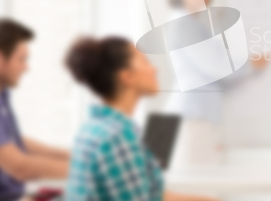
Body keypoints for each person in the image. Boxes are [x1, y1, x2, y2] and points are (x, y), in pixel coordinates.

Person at [63, 35, 222, 201]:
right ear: (127, 77)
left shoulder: (94, 128)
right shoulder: (118, 138)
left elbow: (151, 195)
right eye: (145, 62)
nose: (154, 69)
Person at [163, 0, 268, 167]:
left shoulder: (191, 24)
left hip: (191, 118)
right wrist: (252, 64)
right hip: (189, 120)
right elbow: (216, 66)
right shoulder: (184, 24)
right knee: (194, 192)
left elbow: (214, 71)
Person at [0, 18, 70, 201]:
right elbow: (19, 167)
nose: (26, 68)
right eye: (21, 60)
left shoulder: (3, 94)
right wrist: (88, 170)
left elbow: (13, 142)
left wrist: (72, 155)